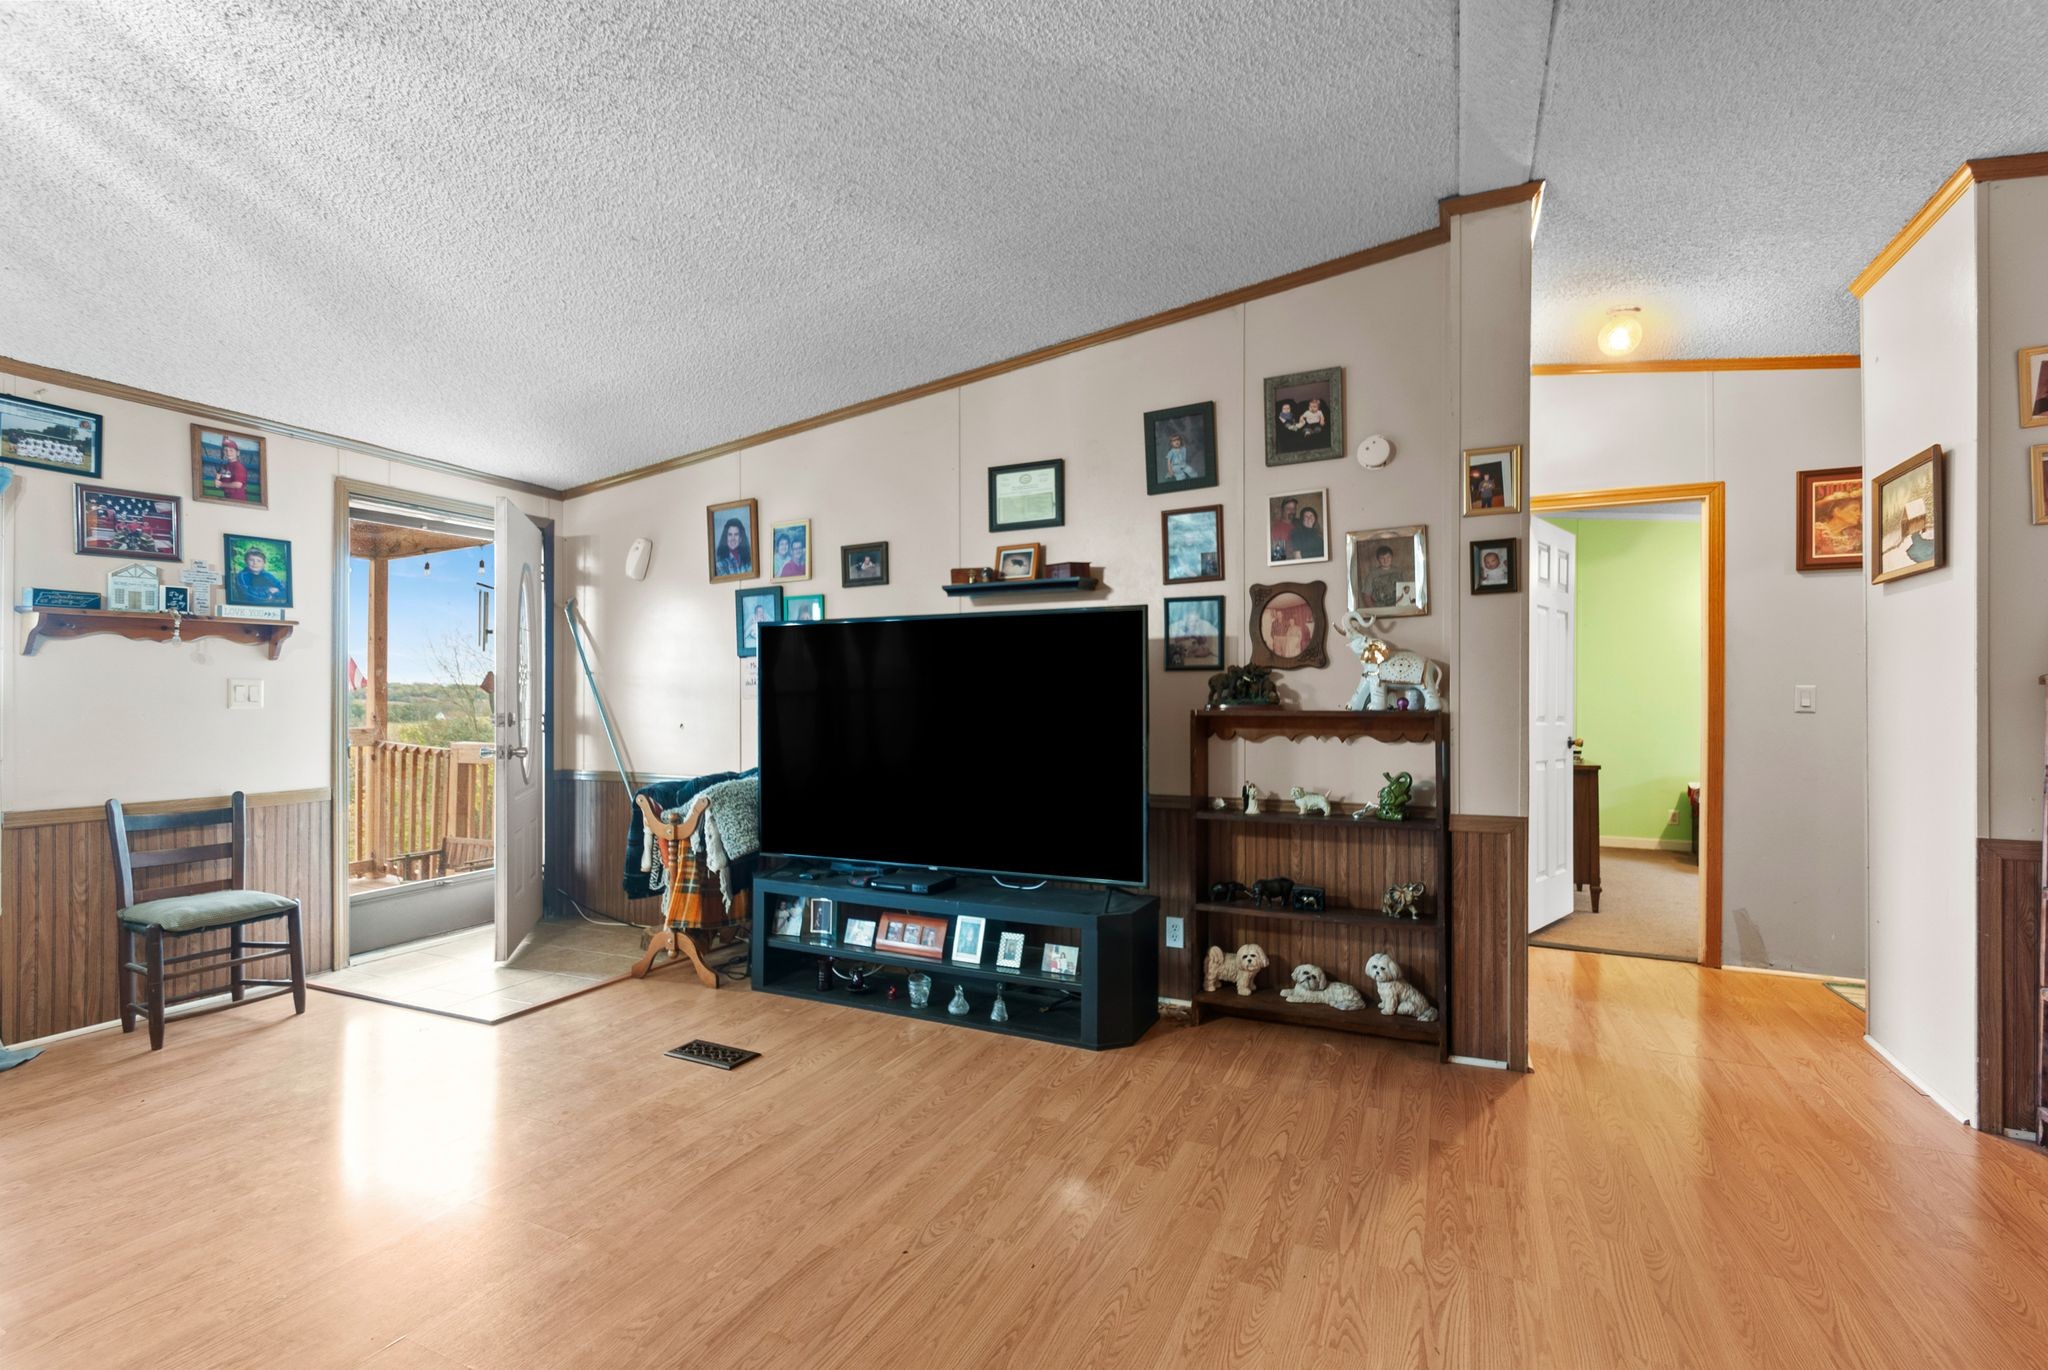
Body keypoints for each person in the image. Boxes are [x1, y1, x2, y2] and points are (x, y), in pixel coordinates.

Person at [214, 436, 250, 501]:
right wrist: (217, 480)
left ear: (238, 453)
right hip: (228, 499)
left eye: (231, 450)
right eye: (226, 450)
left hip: (238, 500)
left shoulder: (239, 467)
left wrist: (221, 484)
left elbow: (238, 484)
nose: (228, 453)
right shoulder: (224, 467)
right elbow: (221, 486)